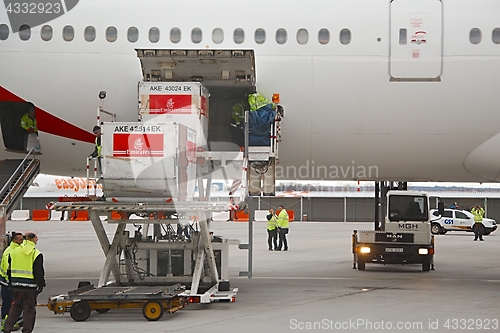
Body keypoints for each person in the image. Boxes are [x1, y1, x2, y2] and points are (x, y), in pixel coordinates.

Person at [3, 232, 45, 333]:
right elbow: (38, 271)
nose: (37, 239)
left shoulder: (14, 251)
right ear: (31, 239)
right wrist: (41, 284)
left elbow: (9, 269)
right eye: (36, 237)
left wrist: (11, 283)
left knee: (15, 308)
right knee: (29, 310)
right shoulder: (36, 253)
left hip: (16, 286)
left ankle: (7, 328)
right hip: (29, 288)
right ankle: (27, 330)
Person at [0, 232, 24, 330]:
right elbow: (7, 269)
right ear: (14, 240)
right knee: (8, 303)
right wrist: (11, 281)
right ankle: (5, 324)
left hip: (10, 282)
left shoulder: (15, 250)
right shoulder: (10, 252)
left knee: (15, 303)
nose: (22, 241)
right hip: (7, 283)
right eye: (20, 239)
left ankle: (16, 321)